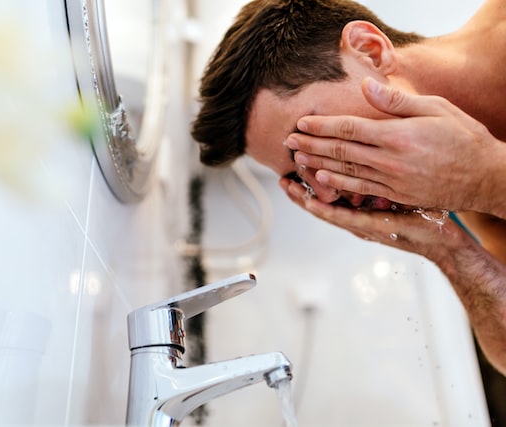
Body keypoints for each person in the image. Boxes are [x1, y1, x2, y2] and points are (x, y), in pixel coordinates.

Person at [190, 0, 506, 376]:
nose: (326, 189)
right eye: (299, 178)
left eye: (311, 141)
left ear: (369, 51)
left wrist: (488, 182)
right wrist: (450, 251)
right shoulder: (475, 202)